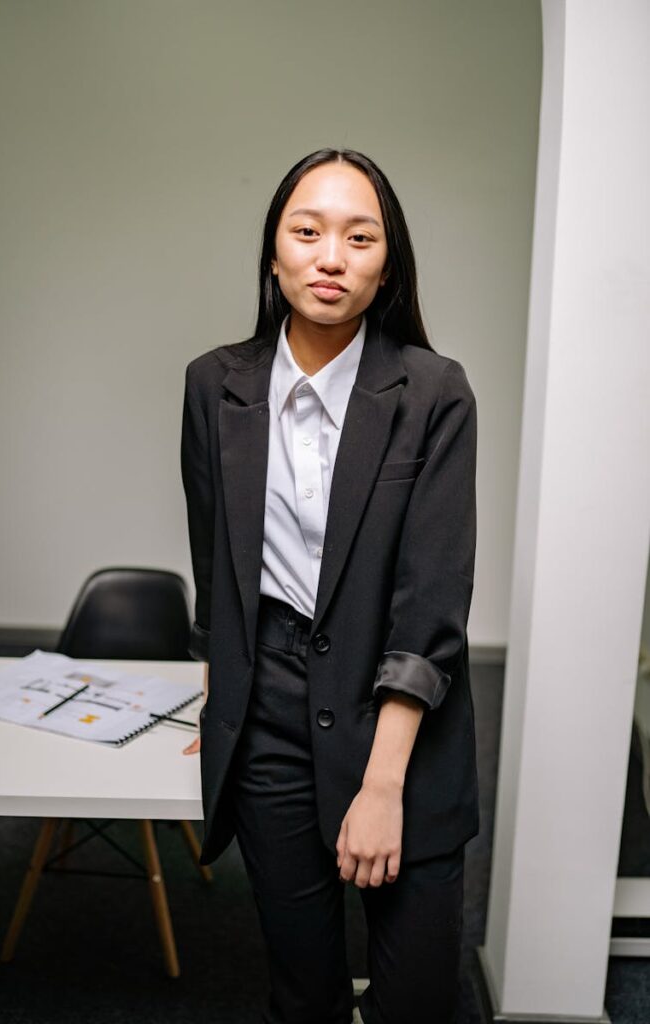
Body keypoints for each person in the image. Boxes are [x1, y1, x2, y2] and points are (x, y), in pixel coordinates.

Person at [180, 147, 479, 1024]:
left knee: (417, 1002)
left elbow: (430, 606)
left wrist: (381, 786)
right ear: (273, 253)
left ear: (387, 265)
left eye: (359, 236)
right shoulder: (214, 384)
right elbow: (215, 566)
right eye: (306, 231)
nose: (330, 256)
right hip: (269, 713)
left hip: (403, 718)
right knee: (302, 993)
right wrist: (220, 700)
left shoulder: (431, 393)